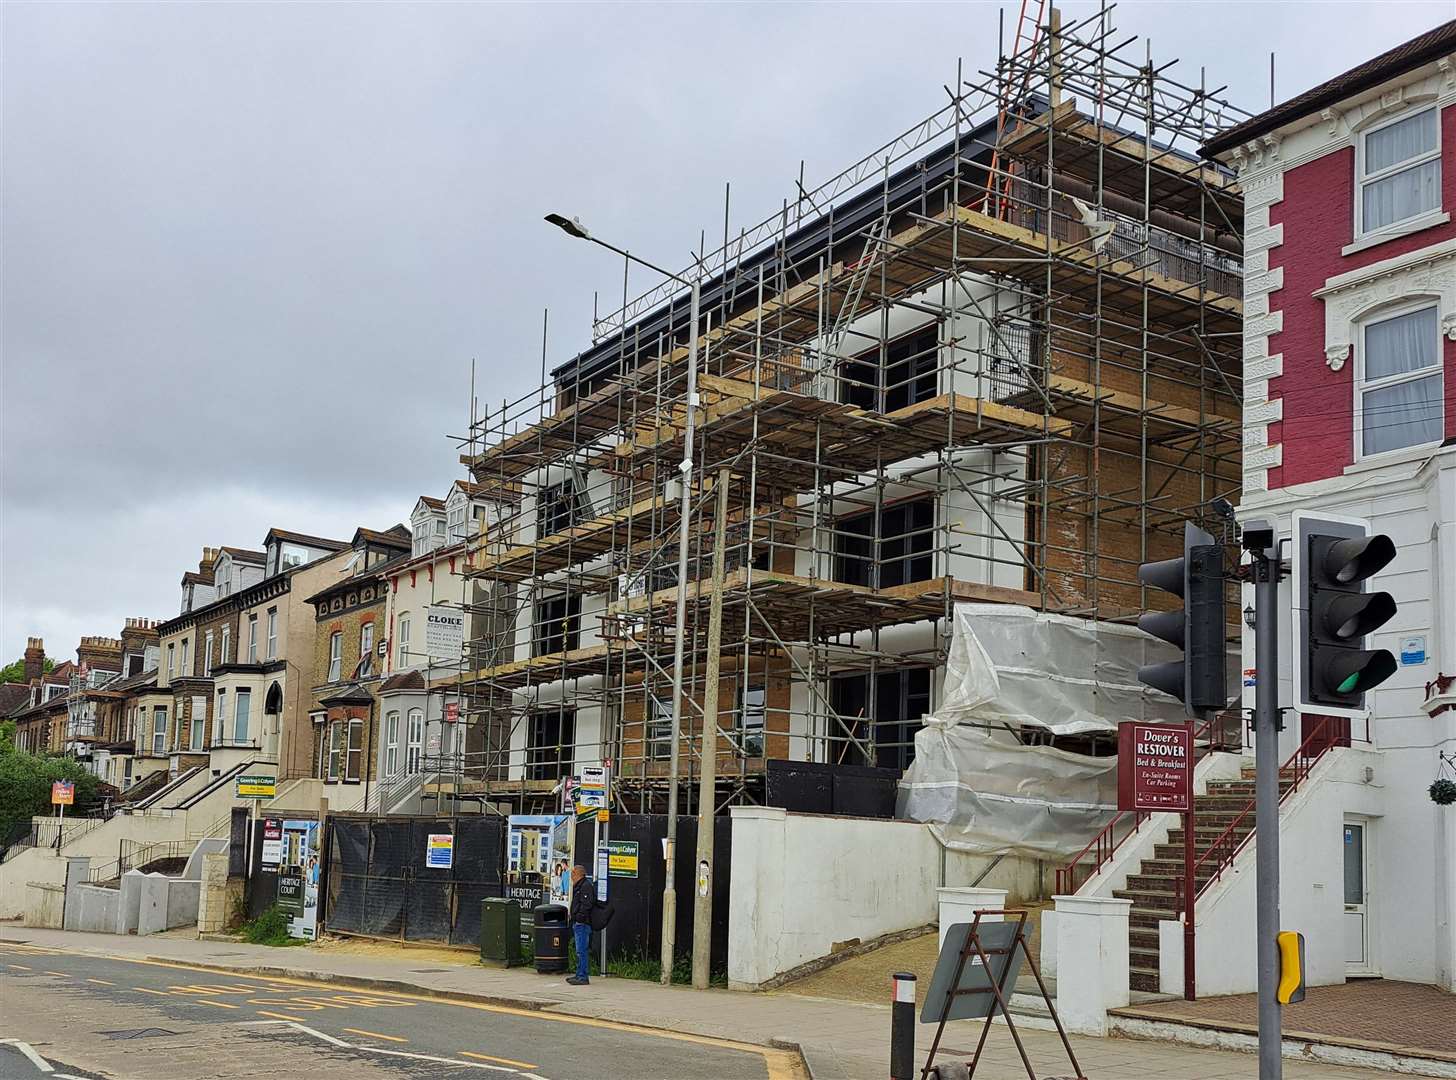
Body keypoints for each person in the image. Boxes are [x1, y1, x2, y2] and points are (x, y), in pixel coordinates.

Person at [566, 863, 594, 985]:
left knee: (581, 950)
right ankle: (579, 974)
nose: (571, 875)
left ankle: (583, 976)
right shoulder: (579, 886)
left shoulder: (585, 886)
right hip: (579, 923)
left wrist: (578, 918)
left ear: (579, 874)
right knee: (579, 950)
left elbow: (586, 905)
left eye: (573, 873)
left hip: (582, 924)